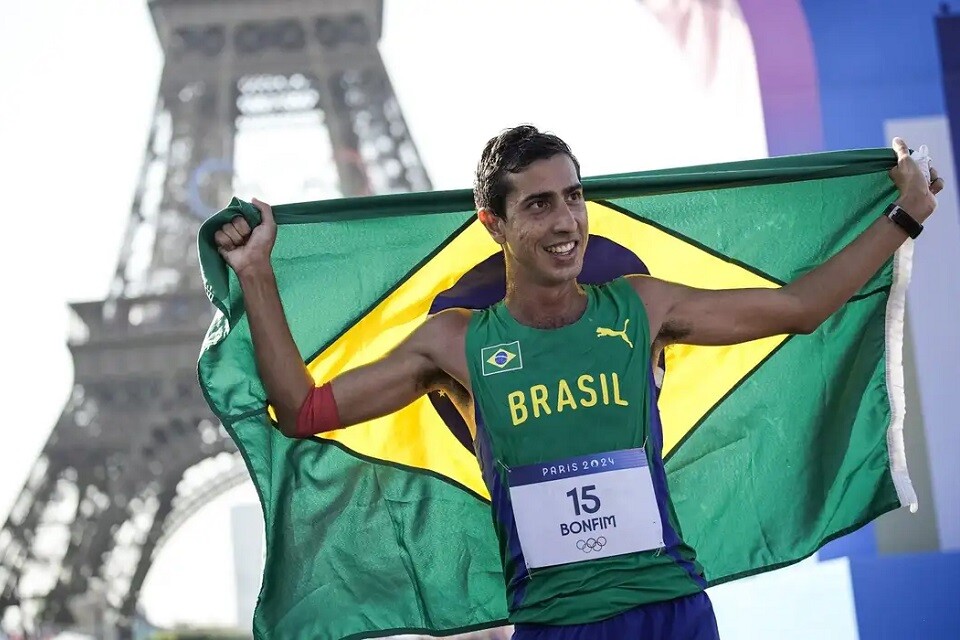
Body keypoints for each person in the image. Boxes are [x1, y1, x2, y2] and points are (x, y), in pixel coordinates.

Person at [213, 126, 944, 639]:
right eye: (539, 204)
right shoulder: (457, 345)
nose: (567, 221)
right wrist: (256, 276)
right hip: (557, 626)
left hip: (671, 611)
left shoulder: (642, 306)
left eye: (573, 196)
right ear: (493, 223)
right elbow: (303, 409)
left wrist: (904, 217)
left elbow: (803, 308)